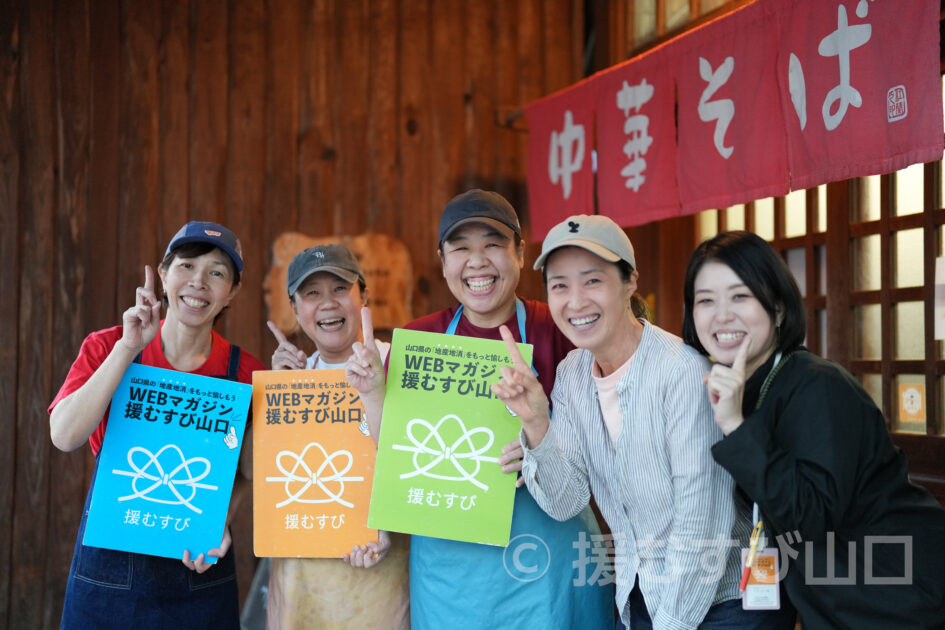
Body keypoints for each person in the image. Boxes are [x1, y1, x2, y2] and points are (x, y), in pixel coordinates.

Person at [492, 215, 797, 629]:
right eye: (559, 285)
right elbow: (566, 502)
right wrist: (535, 421)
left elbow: (701, 520)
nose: (576, 301)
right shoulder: (572, 375)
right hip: (642, 596)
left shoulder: (683, 373)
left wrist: (670, 623)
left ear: (630, 281)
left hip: (725, 603)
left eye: (593, 281)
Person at [346, 191, 613, 629]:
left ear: (521, 253)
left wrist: (543, 439)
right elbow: (396, 451)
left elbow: (603, 433)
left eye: (492, 244)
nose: (477, 261)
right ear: (442, 260)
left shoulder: (559, 326)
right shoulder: (420, 338)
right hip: (452, 566)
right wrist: (374, 391)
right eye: (460, 248)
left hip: (549, 552)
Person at [682, 230, 945, 629]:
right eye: (705, 301)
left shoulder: (818, 385)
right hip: (840, 599)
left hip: (900, 593)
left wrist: (736, 426)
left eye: (740, 296)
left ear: (778, 308)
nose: (721, 315)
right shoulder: (744, 388)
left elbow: (809, 518)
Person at [49, 221, 265, 629]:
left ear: (232, 292)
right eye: (186, 266)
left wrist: (221, 519)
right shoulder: (108, 345)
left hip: (197, 562)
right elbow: (64, 436)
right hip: (111, 565)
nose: (198, 282)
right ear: (163, 275)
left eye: (217, 272)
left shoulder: (247, 373)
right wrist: (128, 347)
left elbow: (245, 472)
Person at [264, 243, 409, 630]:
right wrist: (277, 394)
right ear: (294, 309)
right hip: (302, 581)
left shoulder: (400, 365)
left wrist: (386, 527)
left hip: (380, 579)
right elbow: (271, 479)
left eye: (340, 288)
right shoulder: (289, 381)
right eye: (311, 293)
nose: (327, 303)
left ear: (364, 296)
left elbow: (420, 467)